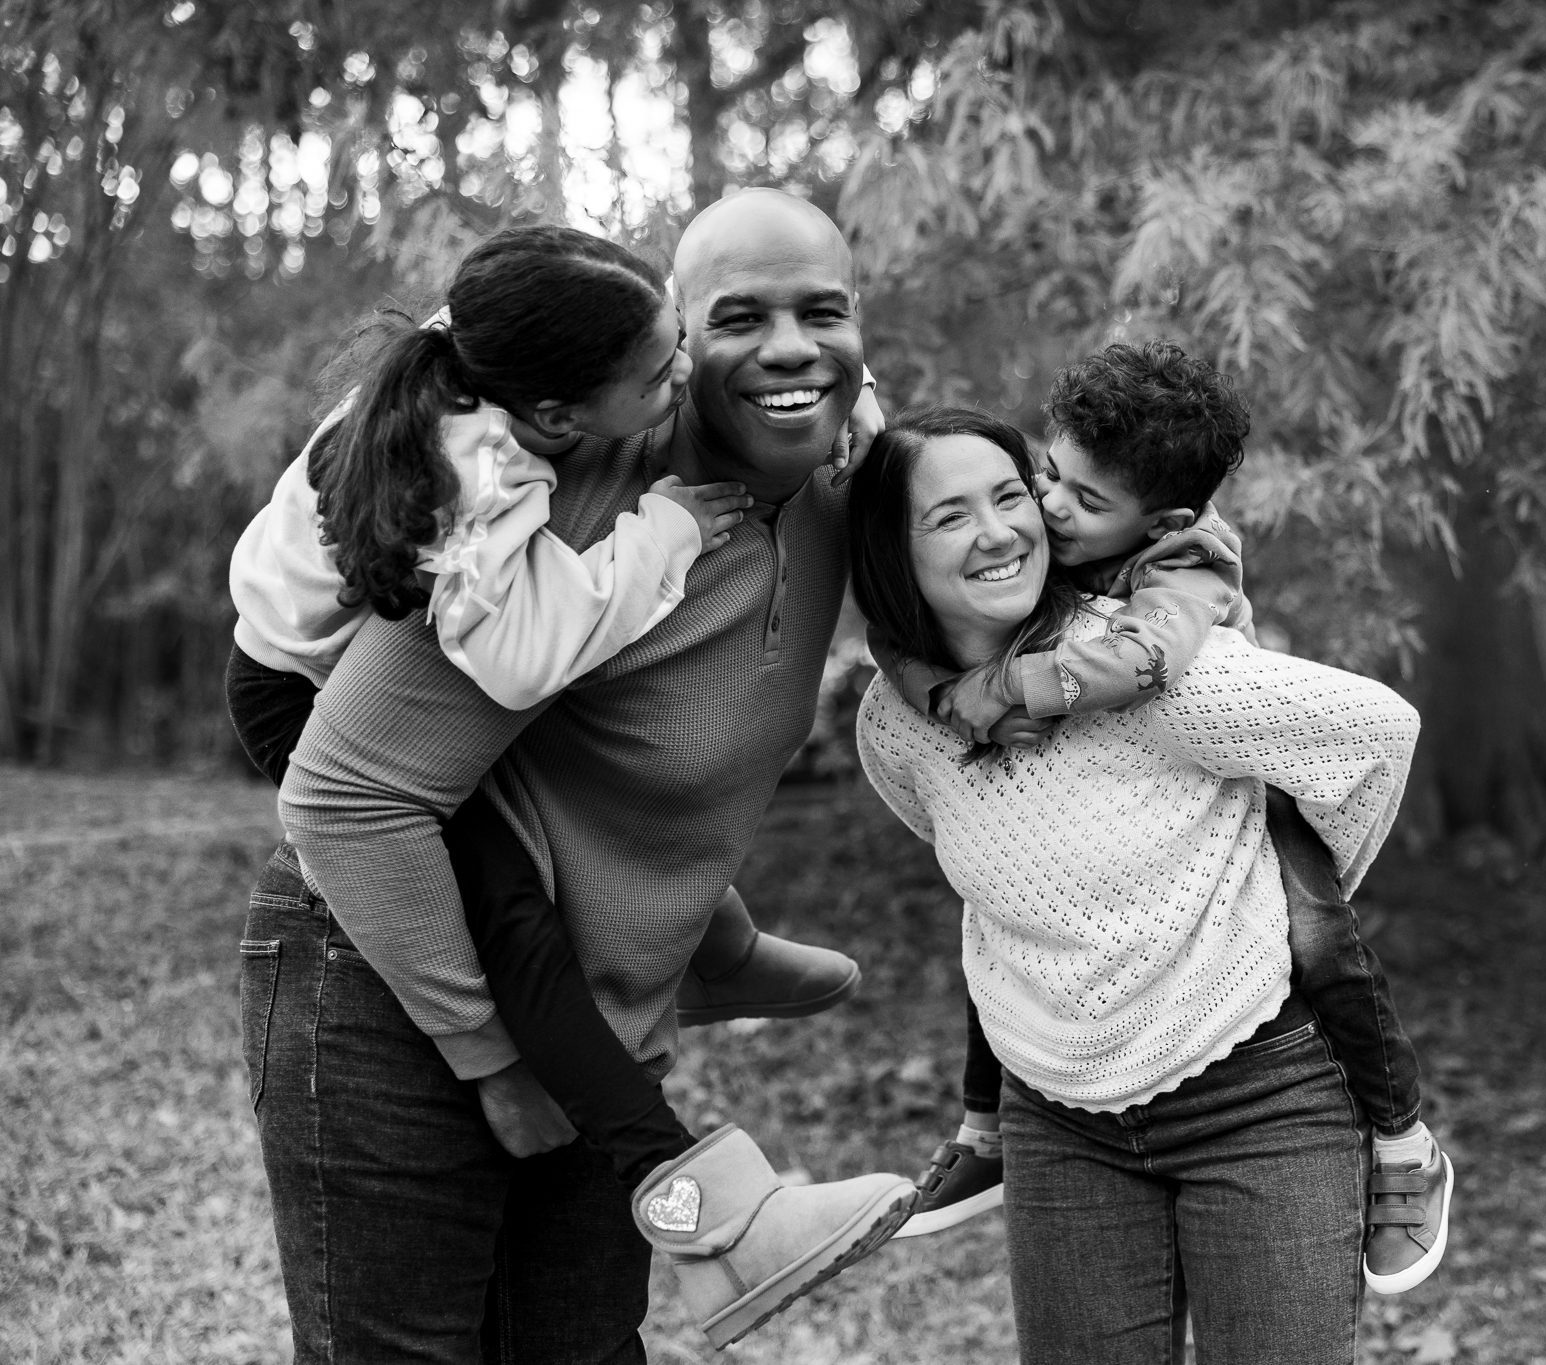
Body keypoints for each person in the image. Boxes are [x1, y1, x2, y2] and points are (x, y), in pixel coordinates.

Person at [244, 192, 913, 1361]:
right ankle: (717, 1195)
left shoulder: (839, 477)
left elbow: (984, 537)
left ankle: (716, 967)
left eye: (824, 313)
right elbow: (347, 797)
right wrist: (489, 1056)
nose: (792, 347)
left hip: (596, 1012)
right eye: (738, 318)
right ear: (680, 336)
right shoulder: (543, 505)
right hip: (400, 984)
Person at [871, 343, 1451, 1294]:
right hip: (1059, 1070)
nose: (1049, 507)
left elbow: (1144, 668)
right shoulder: (1050, 548)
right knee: (999, 913)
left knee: (1321, 937)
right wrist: (946, 696)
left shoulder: (1184, 576)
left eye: (1084, 500)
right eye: (1049, 475)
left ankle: (1403, 1139)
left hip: (1253, 782)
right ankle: (985, 1129)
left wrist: (1010, 690)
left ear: (1163, 521)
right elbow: (897, 627)